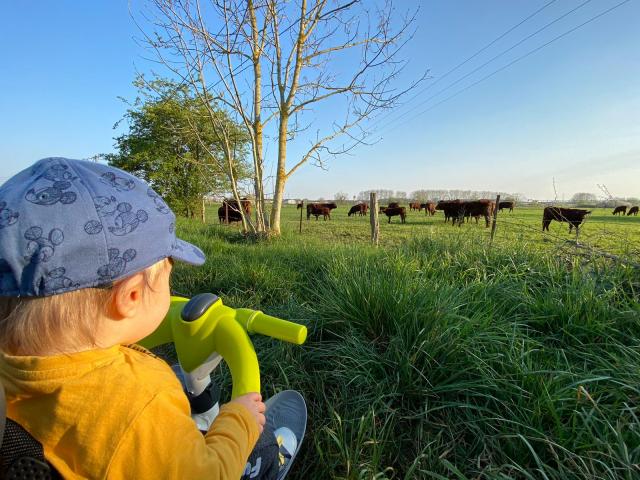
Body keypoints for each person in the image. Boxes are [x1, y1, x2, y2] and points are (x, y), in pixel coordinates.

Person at [0, 158, 290, 479]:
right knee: (258, 437)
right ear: (132, 296)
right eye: (170, 271)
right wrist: (239, 419)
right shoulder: (142, 404)